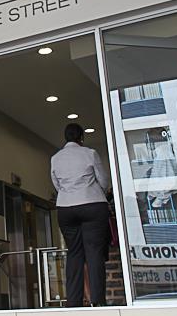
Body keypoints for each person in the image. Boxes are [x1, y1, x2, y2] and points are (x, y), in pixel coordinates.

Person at [51, 123, 110, 307]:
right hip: (92, 204)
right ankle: (97, 301)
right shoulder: (90, 153)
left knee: (74, 253)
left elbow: (56, 184)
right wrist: (98, 192)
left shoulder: (55, 158)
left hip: (65, 208)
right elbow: (103, 180)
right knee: (94, 252)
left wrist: (69, 193)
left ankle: (74, 302)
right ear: (81, 137)